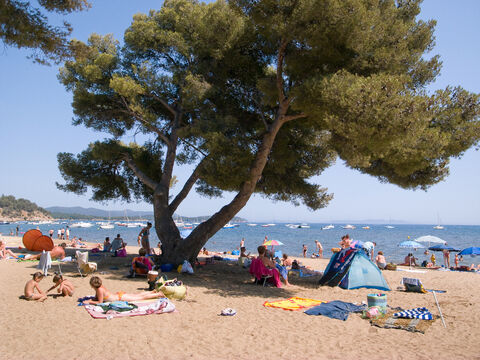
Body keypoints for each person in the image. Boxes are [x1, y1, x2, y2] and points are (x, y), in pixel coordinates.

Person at [83, 276, 164, 304]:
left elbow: (99, 302)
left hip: (120, 298)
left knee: (139, 298)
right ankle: (152, 292)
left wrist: (89, 301)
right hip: (119, 295)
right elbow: (97, 299)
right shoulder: (100, 288)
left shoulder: (99, 290)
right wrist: (91, 299)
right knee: (137, 295)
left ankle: (158, 294)